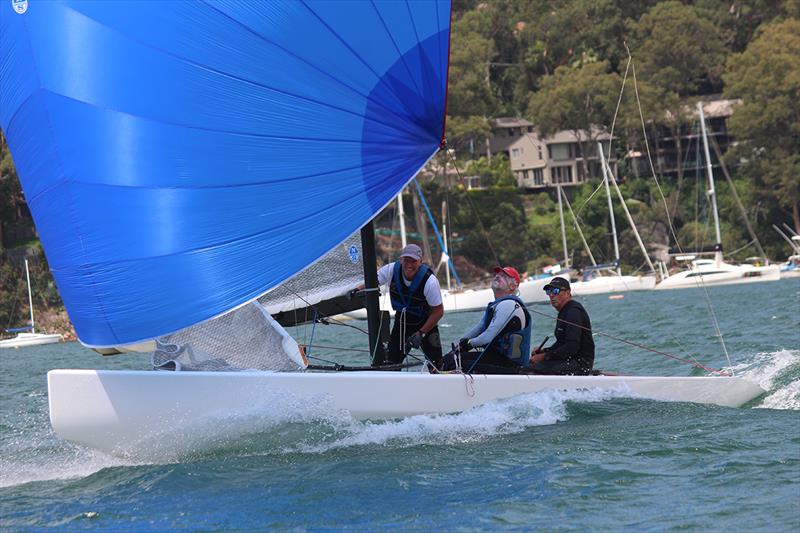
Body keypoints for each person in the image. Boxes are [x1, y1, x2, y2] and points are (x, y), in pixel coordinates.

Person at [353, 244, 444, 368]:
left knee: (437, 365)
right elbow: (372, 281)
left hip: (425, 325)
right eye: (406, 260)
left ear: (420, 262)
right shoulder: (391, 270)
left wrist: (421, 333)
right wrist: (356, 290)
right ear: (401, 259)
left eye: (414, 261)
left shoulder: (430, 282)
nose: (409, 265)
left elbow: (438, 311)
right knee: (391, 364)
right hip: (402, 324)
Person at [441, 266, 532, 374]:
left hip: (511, 365)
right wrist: (458, 345)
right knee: (450, 359)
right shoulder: (497, 305)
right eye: (497, 275)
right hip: (495, 357)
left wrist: (468, 344)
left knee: (453, 363)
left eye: (503, 276)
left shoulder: (509, 304)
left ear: (512, 286)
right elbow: (479, 329)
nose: (497, 276)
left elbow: (487, 337)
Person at [529, 276, 594, 375]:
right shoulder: (564, 311)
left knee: (531, 369)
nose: (551, 295)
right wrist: (544, 351)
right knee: (530, 365)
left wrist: (544, 357)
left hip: (581, 364)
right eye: (549, 292)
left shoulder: (573, 312)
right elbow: (561, 344)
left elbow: (572, 346)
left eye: (555, 291)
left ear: (567, 293)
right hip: (570, 360)